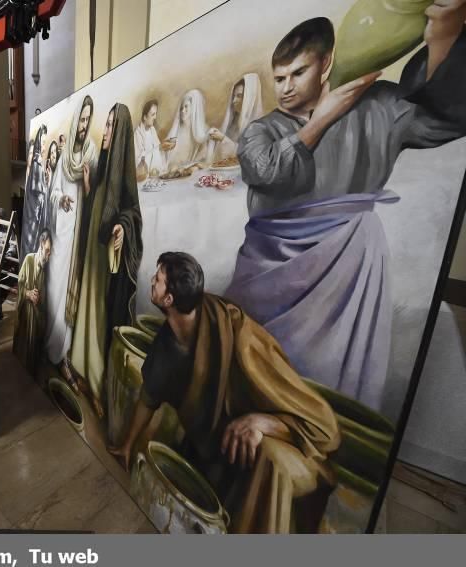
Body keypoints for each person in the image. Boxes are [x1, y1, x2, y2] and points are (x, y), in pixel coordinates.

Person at [226, 12, 466, 410]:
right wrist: (323, 117)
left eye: (297, 73)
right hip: (268, 271)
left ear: (327, 63)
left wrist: (443, 37)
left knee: (330, 381)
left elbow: (442, 119)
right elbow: (268, 172)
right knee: (248, 371)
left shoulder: (381, 107)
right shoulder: (260, 130)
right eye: (279, 78)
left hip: (349, 265)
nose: (285, 88)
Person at [109, 252, 339, 533]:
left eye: (156, 279)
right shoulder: (171, 338)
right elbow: (150, 395)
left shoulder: (240, 337)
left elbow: (323, 426)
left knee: (270, 457)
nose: (151, 282)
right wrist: (126, 446)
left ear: (169, 299)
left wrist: (261, 423)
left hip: (288, 454)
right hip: (221, 454)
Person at [71, 103, 143, 418]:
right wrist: (88, 188)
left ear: (122, 132)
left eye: (112, 126)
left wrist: (122, 227)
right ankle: (81, 370)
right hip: (91, 258)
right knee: (86, 313)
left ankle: (98, 384)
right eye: (107, 123)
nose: (106, 131)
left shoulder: (122, 176)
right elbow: (93, 208)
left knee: (100, 317)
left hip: (107, 263)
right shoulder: (100, 169)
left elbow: (132, 213)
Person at [44, 95, 98, 389]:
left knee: (70, 288)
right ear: (76, 117)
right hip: (62, 230)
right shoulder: (64, 156)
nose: (84, 125)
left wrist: (86, 183)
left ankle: (64, 353)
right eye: (83, 118)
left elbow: (91, 196)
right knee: (55, 287)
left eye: (89, 119)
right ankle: (51, 347)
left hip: (78, 232)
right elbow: (53, 192)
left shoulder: (90, 152)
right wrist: (61, 197)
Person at [13, 229, 52, 375]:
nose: (48, 256)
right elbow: (19, 286)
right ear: (41, 244)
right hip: (26, 316)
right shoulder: (29, 259)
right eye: (47, 251)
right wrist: (28, 293)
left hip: (38, 318)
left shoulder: (46, 269)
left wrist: (40, 299)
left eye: (50, 253)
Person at [206, 73, 263, 163]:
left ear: (249, 98)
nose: (234, 101)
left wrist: (222, 139)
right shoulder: (233, 123)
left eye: (239, 96)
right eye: (234, 96)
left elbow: (249, 156)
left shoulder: (259, 127)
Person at [163, 89, 210, 171]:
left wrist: (192, 167)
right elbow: (169, 161)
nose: (182, 111)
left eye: (186, 107)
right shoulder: (176, 132)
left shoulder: (204, 131)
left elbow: (206, 160)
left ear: (194, 108)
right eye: (181, 108)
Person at [21, 126, 49, 258]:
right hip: (32, 221)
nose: (44, 147)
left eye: (46, 143)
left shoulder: (41, 166)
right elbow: (38, 194)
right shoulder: (37, 166)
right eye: (42, 143)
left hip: (37, 220)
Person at [133, 100, 170, 179]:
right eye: (153, 114)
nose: (155, 117)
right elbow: (138, 160)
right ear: (145, 117)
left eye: (155, 114)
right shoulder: (137, 134)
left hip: (155, 173)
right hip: (144, 176)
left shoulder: (152, 130)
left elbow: (158, 149)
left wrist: (163, 148)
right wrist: (159, 148)